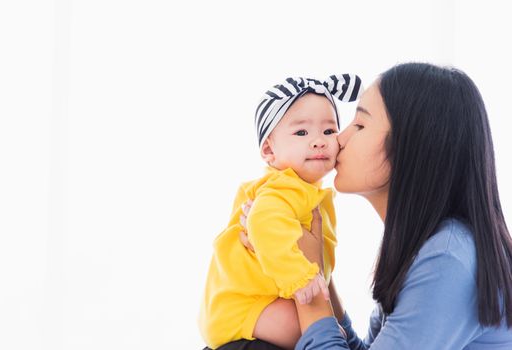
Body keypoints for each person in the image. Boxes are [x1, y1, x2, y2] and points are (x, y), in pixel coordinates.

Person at [235, 63, 512, 349]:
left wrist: (307, 284)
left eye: (360, 124)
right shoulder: (420, 245)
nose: (339, 138)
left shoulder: (446, 259)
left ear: (410, 146)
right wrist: (313, 268)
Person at [198, 75, 363, 349]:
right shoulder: (283, 187)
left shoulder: (305, 191)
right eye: (301, 133)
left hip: (263, 300)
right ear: (268, 150)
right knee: (303, 327)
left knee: (320, 325)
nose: (319, 141)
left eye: (329, 131)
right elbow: (263, 223)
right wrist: (301, 278)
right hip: (246, 305)